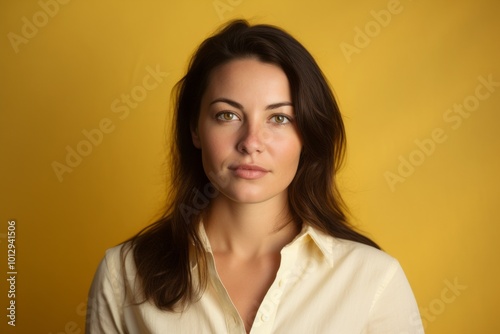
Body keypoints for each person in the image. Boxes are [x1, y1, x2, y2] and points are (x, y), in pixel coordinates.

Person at [86, 20, 424, 333]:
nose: (250, 143)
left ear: (307, 134)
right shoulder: (124, 274)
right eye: (228, 115)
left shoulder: (373, 280)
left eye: (279, 119)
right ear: (195, 128)